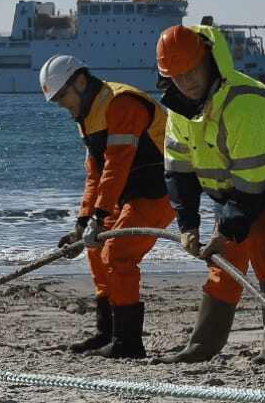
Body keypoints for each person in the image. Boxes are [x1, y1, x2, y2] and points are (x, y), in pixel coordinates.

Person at [155, 25, 265, 364]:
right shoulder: (178, 110)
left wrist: (226, 231)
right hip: (232, 187)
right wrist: (188, 225)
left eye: (192, 71)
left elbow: (251, 188)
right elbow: (178, 172)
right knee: (225, 259)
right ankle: (202, 347)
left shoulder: (247, 105)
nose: (187, 82)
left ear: (209, 61)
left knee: (263, 239)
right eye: (177, 76)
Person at [39, 55, 176, 358]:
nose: (62, 104)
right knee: (94, 249)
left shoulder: (122, 103)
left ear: (81, 82)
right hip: (129, 194)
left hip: (159, 192)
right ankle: (107, 333)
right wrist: (83, 222)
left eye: (64, 96)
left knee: (118, 253)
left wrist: (99, 217)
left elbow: (118, 163)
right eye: (57, 100)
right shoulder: (88, 115)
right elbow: (96, 174)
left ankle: (129, 343)